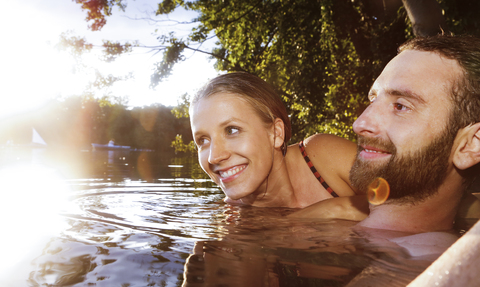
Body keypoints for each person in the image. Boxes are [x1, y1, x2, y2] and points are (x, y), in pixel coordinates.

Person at [294, 34, 480, 234]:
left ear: (470, 145)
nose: (359, 124)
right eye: (373, 100)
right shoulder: (323, 227)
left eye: (401, 106)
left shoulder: (430, 262)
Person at [189, 72, 367, 212]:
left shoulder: (321, 155)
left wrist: (334, 209)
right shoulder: (231, 215)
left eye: (231, 130)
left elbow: (394, 199)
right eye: (203, 140)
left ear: (276, 133)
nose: (214, 157)